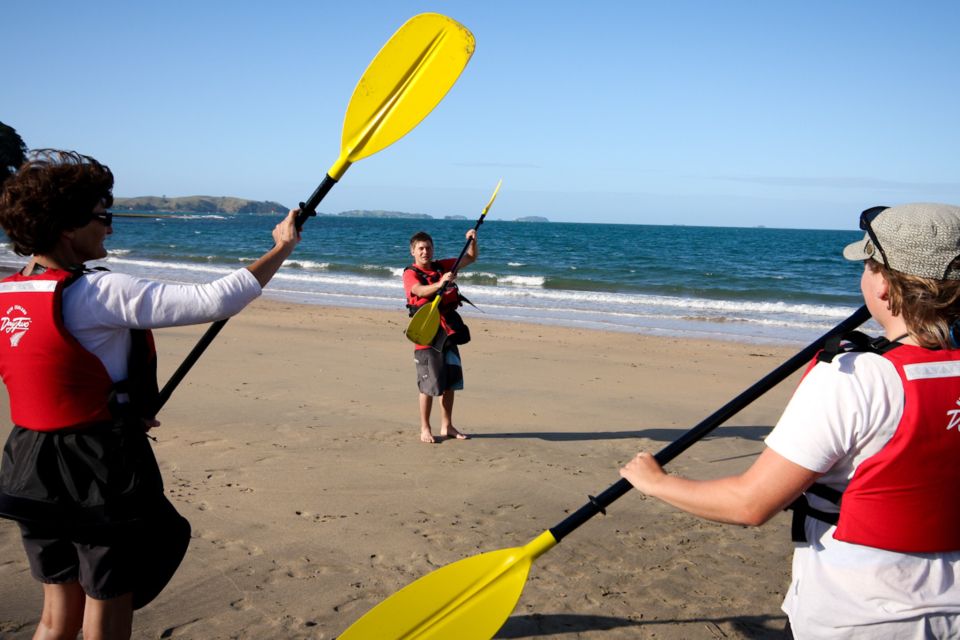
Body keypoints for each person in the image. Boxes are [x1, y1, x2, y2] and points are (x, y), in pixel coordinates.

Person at [620, 202, 960, 639]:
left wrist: (656, 482)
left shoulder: (853, 377)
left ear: (884, 288)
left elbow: (750, 504)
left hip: (862, 617)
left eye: (871, 265)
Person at [0, 150, 301, 639]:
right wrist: (282, 247)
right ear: (66, 226)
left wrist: (117, 405)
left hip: (27, 465)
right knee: (107, 607)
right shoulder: (100, 293)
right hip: (97, 468)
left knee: (57, 616)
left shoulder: (7, 294)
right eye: (103, 216)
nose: (110, 228)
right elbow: (214, 300)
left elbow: (42, 373)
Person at [403, 229, 477, 443]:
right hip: (426, 332)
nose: (425, 252)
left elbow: (470, 258)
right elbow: (418, 291)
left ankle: (447, 426)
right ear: (413, 252)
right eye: (421, 248)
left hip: (448, 332)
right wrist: (440, 284)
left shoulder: (442, 266)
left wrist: (472, 240)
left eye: (428, 248)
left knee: (450, 382)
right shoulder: (410, 273)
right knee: (427, 384)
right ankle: (425, 428)